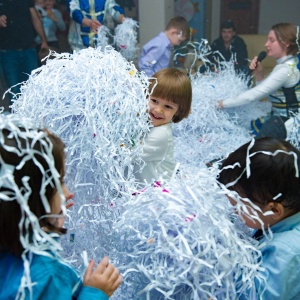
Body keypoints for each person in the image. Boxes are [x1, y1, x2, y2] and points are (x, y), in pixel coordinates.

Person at [0, 115, 122, 299]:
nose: (67, 192)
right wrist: (95, 293)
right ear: (32, 199)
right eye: (59, 182)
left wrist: (45, 222)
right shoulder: (45, 276)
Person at [218, 137, 300, 299]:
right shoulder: (284, 215)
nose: (234, 211)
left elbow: (257, 296)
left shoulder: (284, 253)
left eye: (238, 206)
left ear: (274, 210)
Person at [218, 23, 300, 139]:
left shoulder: (285, 70)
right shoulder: (290, 63)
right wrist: (259, 74)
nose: (266, 44)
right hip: (278, 119)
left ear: (286, 44)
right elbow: (270, 94)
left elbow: (253, 95)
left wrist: (222, 103)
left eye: (272, 40)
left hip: (289, 127)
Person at [133, 68, 192, 185]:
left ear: (178, 111)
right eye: (154, 101)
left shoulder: (161, 135)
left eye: (168, 107)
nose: (158, 110)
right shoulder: (145, 122)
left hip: (155, 194)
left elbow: (127, 156)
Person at [0, 0, 48, 104]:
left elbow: (35, 18)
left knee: (31, 86)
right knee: (14, 89)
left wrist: (43, 40)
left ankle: (31, 118)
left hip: (28, 48)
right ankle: (17, 119)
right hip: (7, 51)